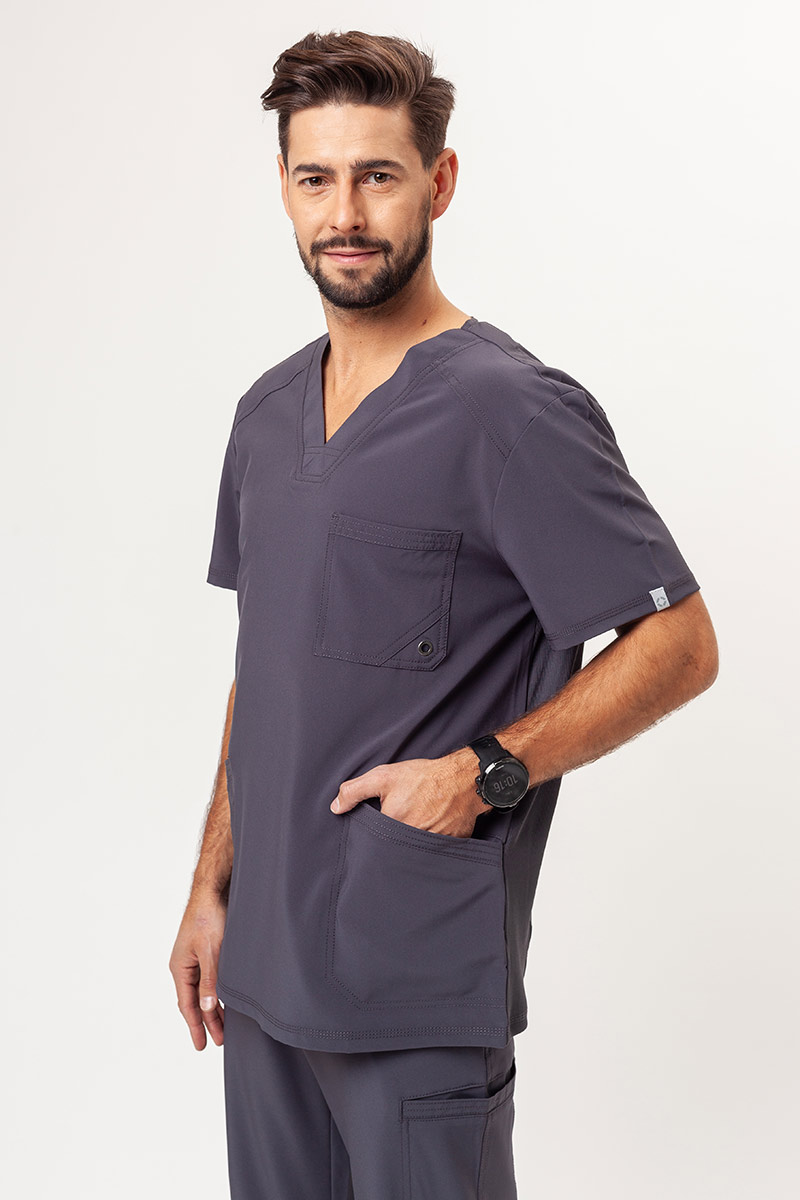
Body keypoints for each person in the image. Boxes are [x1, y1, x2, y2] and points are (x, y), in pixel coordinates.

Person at [169, 29, 719, 1200]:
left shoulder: (508, 412)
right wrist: (210, 888)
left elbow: (678, 643)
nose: (344, 213)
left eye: (377, 175)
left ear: (439, 181)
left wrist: (484, 771)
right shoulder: (264, 417)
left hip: (409, 987)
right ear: (282, 188)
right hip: (260, 977)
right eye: (315, 178)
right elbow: (265, 674)